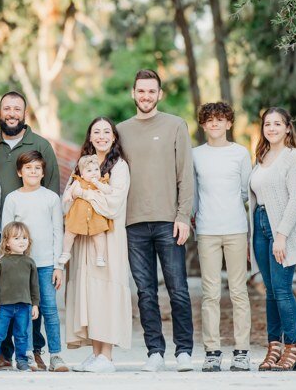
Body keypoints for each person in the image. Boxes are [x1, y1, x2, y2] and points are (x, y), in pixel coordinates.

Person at [117, 69, 195, 372]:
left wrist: (183, 216)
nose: (146, 96)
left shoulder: (176, 125)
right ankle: (155, 352)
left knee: (178, 288)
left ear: (159, 94)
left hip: (168, 221)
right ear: (133, 93)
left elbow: (185, 174)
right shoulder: (121, 130)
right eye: (141, 91)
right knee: (146, 291)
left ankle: (185, 350)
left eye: (151, 91)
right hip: (132, 223)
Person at [0, 91, 60, 371]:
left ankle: (37, 350)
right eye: (6, 108)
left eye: (16, 109)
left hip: (38, 247)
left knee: (37, 301)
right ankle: (3, 351)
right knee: (6, 295)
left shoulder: (41, 145)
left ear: (25, 112)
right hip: (1, 236)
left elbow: (53, 186)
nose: (11, 113)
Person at [64, 117, 132, 373]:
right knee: (90, 293)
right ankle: (95, 353)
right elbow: (67, 200)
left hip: (109, 238)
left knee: (106, 291)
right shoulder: (82, 165)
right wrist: (76, 196)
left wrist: (85, 194)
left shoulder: (120, 167)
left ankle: (108, 356)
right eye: (96, 132)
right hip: (83, 238)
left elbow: (113, 205)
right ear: (90, 137)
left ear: (114, 137)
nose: (102, 136)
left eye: (107, 131)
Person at [192, 102, 253, 372]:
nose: (214, 124)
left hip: (236, 229)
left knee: (239, 292)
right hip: (206, 230)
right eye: (209, 120)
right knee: (210, 294)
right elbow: (193, 193)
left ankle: (242, 351)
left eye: (220, 119)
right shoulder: (195, 155)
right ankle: (212, 351)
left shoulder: (240, 154)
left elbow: (245, 192)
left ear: (229, 123)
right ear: (203, 125)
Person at [249, 107, 296, 372]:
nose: (271, 128)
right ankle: (273, 347)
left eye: (277, 124)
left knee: (283, 290)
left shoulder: (292, 157)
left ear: (287, 128)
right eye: (267, 124)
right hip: (260, 226)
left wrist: (281, 235)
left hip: (281, 229)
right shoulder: (261, 156)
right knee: (270, 291)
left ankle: (292, 349)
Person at [1, 151, 69, 372]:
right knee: (25, 310)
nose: (33, 171)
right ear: (20, 172)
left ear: (43, 172)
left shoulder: (51, 198)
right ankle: (27, 353)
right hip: (20, 265)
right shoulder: (13, 198)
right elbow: (6, 232)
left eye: (37, 168)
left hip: (46, 263)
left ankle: (56, 355)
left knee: (49, 309)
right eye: (28, 168)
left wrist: (59, 265)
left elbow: (58, 232)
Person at [0, 222, 40, 372]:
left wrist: (35, 305)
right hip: (4, 306)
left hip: (24, 306)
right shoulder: (0, 261)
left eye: (25, 238)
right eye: (17, 238)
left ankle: (21, 361)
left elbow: (34, 286)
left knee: (21, 335)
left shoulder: (29, 262)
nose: (22, 241)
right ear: (7, 242)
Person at [60, 155, 113, 267]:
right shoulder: (78, 181)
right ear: (82, 174)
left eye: (96, 169)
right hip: (78, 214)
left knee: (99, 235)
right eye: (89, 171)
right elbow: (69, 191)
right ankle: (66, 252)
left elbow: (109, 191)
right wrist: (68, 196)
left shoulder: (102, 182)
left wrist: (98, 184)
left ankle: (100, 256)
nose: (94, 173)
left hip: (95, 215)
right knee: (69, 232)